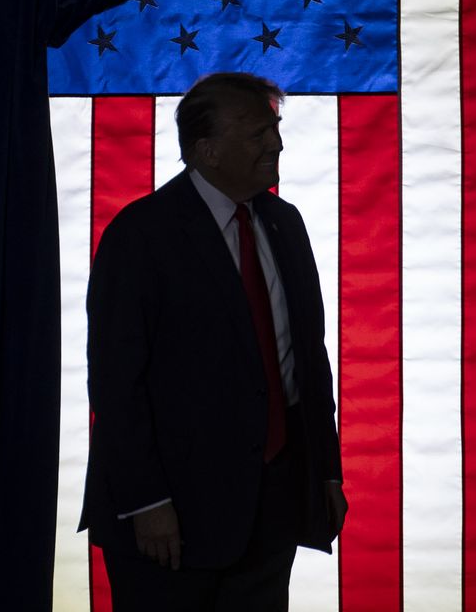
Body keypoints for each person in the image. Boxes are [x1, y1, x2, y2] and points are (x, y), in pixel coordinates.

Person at [79, 72, 348, 611]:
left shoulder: (284, 223)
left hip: (271, 504)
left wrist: (325, 471)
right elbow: (116, 382)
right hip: (170, 515)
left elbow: (308, 361)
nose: (275, 143)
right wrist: (146, 502)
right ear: (207, 150)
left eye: (274, 128)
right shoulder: (142, 234)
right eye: (256, 132)